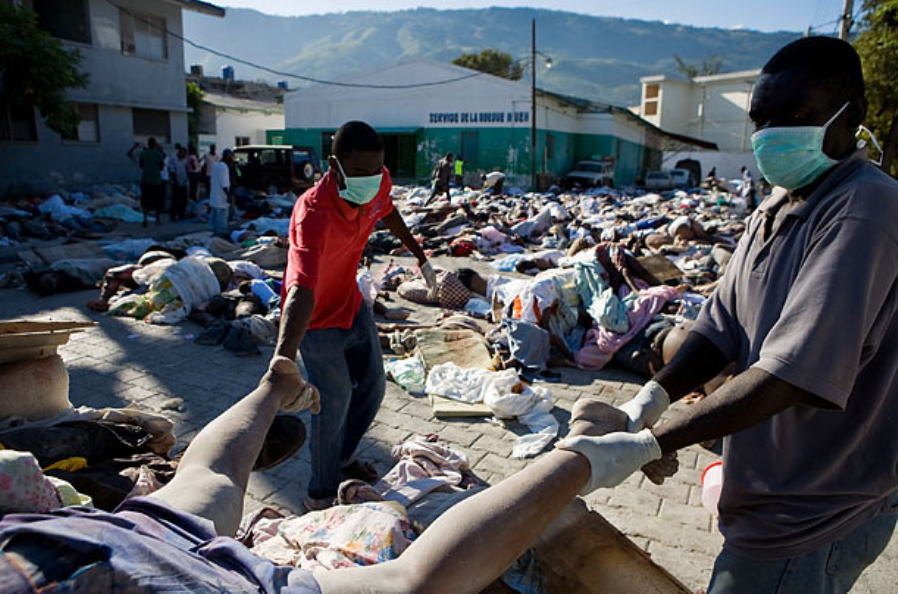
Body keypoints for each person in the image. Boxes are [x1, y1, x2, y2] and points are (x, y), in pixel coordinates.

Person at [557, 37, 898, 594]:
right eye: (763, 118)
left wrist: (653, 444)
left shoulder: (865, 208)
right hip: (768, 489)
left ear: (851, 115)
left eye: (797, 117)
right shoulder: (779, 203)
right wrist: (652, 399)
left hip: (818, 507)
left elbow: (792, 373)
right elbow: (720, 328)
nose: (773, 134)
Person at [0, 352, 650, 593]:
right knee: (208, 479)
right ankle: (269, 389)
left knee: (412, 583)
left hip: (109, 567)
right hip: (76, 540)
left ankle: (587, 453)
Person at [274, 121, 439, 510]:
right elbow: (301, 290)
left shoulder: (377, 182)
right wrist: (282, 358)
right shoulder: (312, 213)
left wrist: (419, 256)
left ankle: (343, 457)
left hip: (350, 302)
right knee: (333, 400)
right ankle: (320, 493)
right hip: (314, 320)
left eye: (376, 169)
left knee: (373, 386)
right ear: (335, 165)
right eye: (361, 171)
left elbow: (388, 211)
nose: (371, 179)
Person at [128, 137, 165, 228]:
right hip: (156, 180)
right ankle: (158, 219)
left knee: (145, 201)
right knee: (158, 200)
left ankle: (145, 219)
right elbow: (162, 167)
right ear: (155, 144)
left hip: (146, 180)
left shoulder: (143, 154)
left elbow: (141, 165)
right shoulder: (158, 154)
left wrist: (134, 147)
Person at [209, 149, 233, 237]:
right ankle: (220, 236)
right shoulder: (224, 167)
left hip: (214, 197)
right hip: (222, 199)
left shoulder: (215, 165)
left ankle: (214, 234)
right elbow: (225, 184)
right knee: (222, 223)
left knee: (214, 221)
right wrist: (229, 195)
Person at [168, 145, 189, 222]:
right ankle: (173, 216)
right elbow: (172, 171)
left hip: (183, 181)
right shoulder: (173, 158)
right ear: (180, 153)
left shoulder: (185, 159)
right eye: (183, 155)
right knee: (175, 199)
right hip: (176, 182)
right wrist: (176, 182)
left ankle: (181, 214)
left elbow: (186, 168)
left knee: (184, 199)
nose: (184, 157)